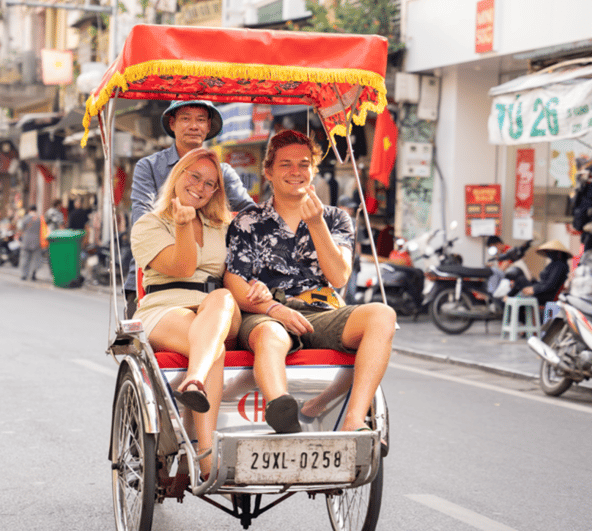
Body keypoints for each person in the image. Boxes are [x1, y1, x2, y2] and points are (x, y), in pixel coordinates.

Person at [224, 130, 397, 435]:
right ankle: (283, 410)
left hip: (321, 308)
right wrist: (275, 310)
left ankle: (354, 420)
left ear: (314, 170)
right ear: (269, 171)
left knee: (383, 316)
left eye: (304, 164)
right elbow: (234, 280)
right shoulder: (248, 221)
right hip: (265, 311)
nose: (295, 172)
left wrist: (316, 224)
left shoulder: (335, 219)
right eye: (285, 164)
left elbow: (340, 276)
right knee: (269, 336)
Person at [130, 147, 271, 477]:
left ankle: (194, 380)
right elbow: (182, 266)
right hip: (165, 307)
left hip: (219, 307)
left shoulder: (223, 226)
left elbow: (244, 272)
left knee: (221, 299)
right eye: (194, 176)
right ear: (178, 176)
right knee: (213, 346)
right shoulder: (149, 224)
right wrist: (182, 225)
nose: (201, 187)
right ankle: (207, 455)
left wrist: (258, 286)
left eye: (210, 184)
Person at [124, 100, 256, 318]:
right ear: (173, 124)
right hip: (158, 276)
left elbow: (251, 217)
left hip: (212, 287)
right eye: (186, 119)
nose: (194, 126)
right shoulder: (149, 166)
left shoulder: (223, 173)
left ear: (207, 127)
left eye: (201, 120)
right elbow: (142, 216)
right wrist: (181, 227)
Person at [519, 239, 573, 305]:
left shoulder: (560, 265)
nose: (548, 253)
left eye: (550, 251)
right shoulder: (553, 264)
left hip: (547, 295)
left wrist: (534, 290)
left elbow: (550, 285)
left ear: (558, 252)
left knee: (520, 295)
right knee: (520, 280)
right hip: (542, 291)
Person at [17, 206, 44, 281]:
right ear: (36, 210)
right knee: (35, 259)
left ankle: (24, 275)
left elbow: (20, 227)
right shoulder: (39, 219)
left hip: (26, 240)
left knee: (25, 258)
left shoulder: (25, 218)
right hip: (36, 241)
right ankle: (33, 274)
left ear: (29, 210)